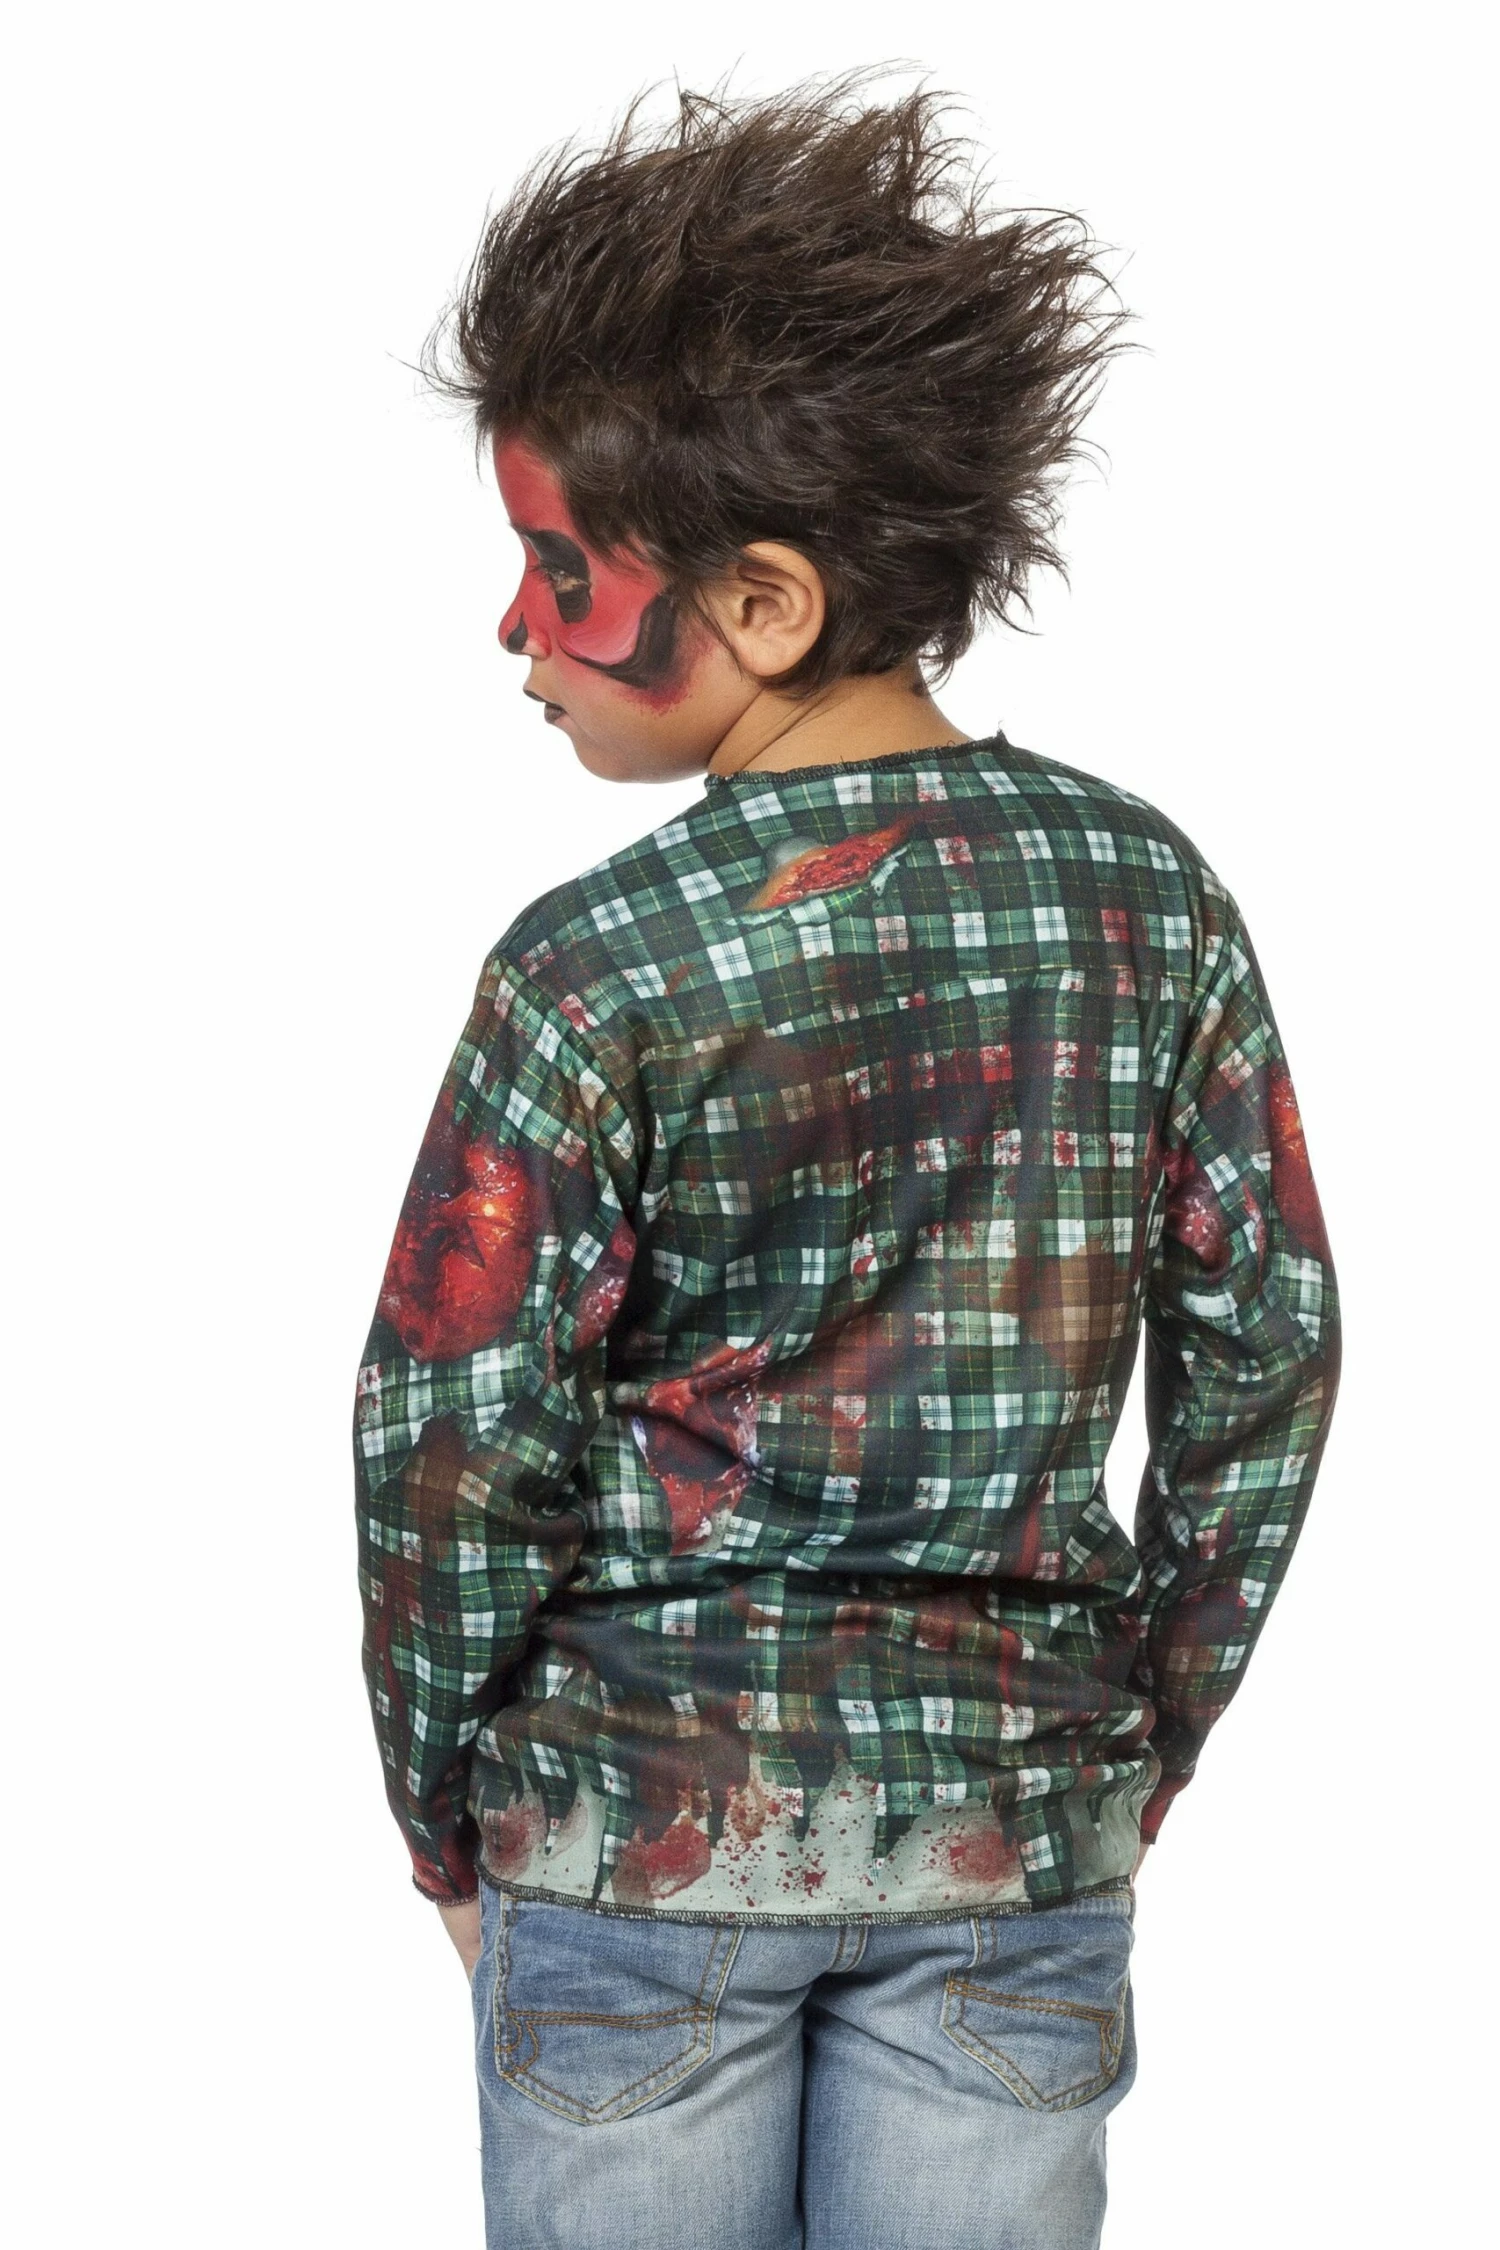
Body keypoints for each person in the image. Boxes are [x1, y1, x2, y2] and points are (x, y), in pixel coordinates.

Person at [354, 75, 1339, 2250]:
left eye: (558, 568)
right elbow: (1270, 1352)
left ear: (769, 602)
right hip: (1014, 1834)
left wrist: (444, 1808)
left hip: (631, 1846)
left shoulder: (591, 969)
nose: (516, 627)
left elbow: (449, 1434)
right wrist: (1142, 1732)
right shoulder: (1147, 904)